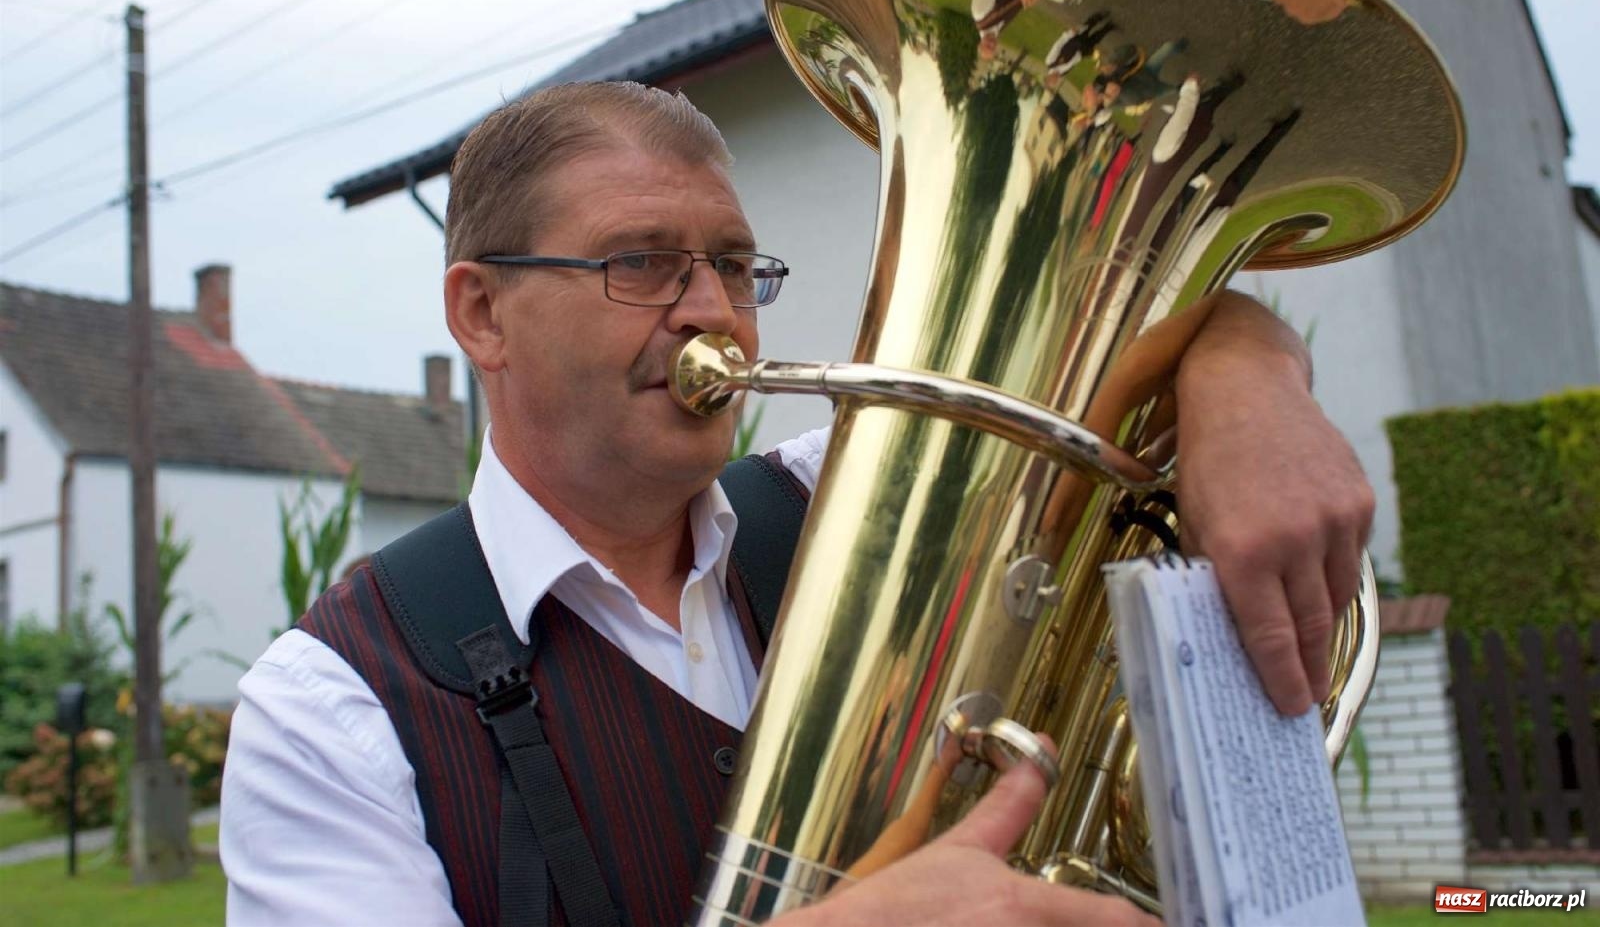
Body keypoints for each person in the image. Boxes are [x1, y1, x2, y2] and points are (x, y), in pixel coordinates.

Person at [221, 82, 1374, 926]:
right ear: (481, 315)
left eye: (734, 265)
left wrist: (1251, 375)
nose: (711, 312)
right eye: (640, 263)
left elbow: (1139, 347)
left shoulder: (853, 499)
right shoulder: (331, 704)